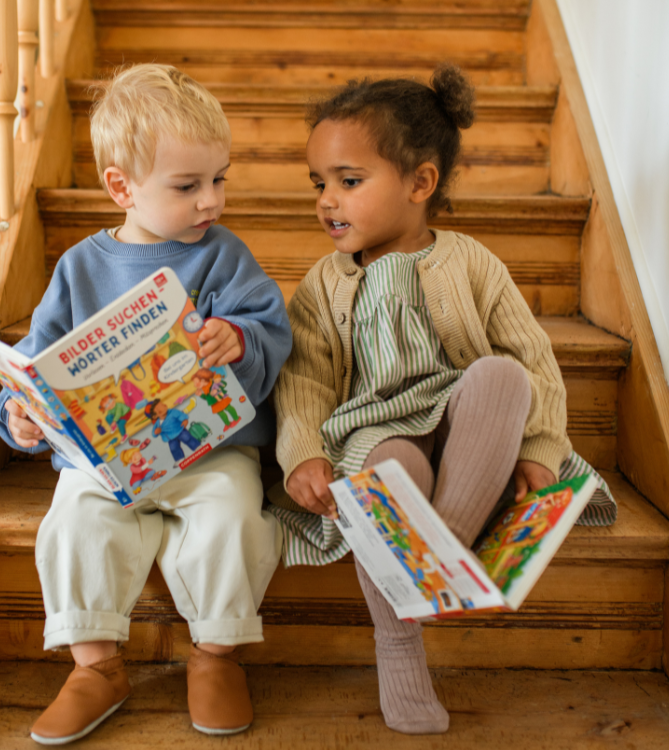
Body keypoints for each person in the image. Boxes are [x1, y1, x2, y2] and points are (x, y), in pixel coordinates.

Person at [270, 66, 616, 735]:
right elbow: (305, 380)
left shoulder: (471, 263)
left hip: (463, 425)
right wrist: (303, 454)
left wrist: (539, 448)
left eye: (348, 180)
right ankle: (400, 643)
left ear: (419, 183)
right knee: (384, 476)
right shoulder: (322, 283)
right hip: (375, 431)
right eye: (319, 183)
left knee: (502, 378)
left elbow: (531, 359)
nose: (326, 200)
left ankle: (444, 550)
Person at [0, 63, 291, 744]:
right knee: (71, 522)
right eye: (187, 186)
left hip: (208, 451)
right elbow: (33, 371)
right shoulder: (78, 269)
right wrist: (21, 417)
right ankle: (94, 665)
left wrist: (239, 340)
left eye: (220, 179)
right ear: (121, 187)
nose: (211, 200)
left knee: (235, 520)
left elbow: (273, 331)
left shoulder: (224, 257)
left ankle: (215, 652)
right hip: (109, 463)